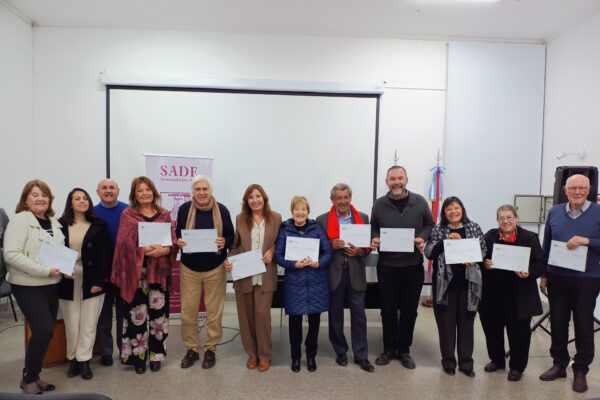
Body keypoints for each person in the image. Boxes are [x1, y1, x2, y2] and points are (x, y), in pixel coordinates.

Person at [539, 174, 600, 393]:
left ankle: (581, 369)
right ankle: (559, 364)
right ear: (565, 190)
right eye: (573, 188)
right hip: (557, 277)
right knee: (558, 323)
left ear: (588, 190)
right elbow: (547, 244)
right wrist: (544, 274)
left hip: (587, 279)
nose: (577, 192)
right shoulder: (555, 212)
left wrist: (587, 241)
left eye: (582, 188)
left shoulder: (598, 211)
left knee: (583, 325)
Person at [370, 166, 434, 368]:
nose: (396, 182)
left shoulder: (420, 202)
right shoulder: (379, 204)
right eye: (392, 179)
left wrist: (422, 237)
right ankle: (388, 349)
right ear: (386, 182)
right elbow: (373, 227)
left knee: (409, 310)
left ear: (407, 180)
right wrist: (375, 237)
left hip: (412, 267)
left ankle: (404, 350)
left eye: (400, 178)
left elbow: (430, 225)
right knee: (387, 310)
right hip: (387, 266)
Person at [3, 180, 64, 394]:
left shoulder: (53, 221)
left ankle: (34, 375)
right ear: (26, 199)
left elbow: (57, 253)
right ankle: (28, 378)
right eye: (35, 194)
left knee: (47, 332)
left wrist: (65, 268)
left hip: (52, 283)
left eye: (44, 195)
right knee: (43, 330)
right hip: (27, 284)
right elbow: (11, 254)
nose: (40, 198)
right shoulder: (20, 220)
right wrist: (44, 270)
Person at [111, 176, 176, 374]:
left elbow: (173, 241)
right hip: (136, 275)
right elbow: (122, 245)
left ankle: (156, 355)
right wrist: (143, 250)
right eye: (140, 190)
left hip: (158, 274)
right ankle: (137, 357)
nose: (145, 193)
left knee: (159, 317)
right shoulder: (127, 215)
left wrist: (165, 250)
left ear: (154, 192)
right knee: (136, 316)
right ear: (135, 195)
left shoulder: (164, 214)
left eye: (148, 189)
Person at [480, 204, 544, 382]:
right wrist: (485, 263)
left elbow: (540, 264)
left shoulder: (530, 238)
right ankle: (497, 360)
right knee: (492, 329)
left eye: (509, 217)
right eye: (501, 218)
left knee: (519, 333)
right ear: (497, 220)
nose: (505, 221)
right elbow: (480, 258)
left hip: (519, 294)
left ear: (516, 219)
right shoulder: (489, 237)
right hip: (493, 294)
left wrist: (529, 272)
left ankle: (517, 366)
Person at [176, 175, 234, 370]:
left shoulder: (222, 210)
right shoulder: (184, 209)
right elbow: (178, 234)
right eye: (198, 189)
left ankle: (210, 348)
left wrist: (224, 241)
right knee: (188, 311)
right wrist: (180, 241)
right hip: (189, 268)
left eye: (205, 189)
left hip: (215, 268)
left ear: (210, 191)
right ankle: (192, 348)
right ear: (192, 192)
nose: (201, 193)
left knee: (214, 312)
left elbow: (231, 236)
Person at [424, 196, 485, 377]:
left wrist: (474, 258)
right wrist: (446, 241)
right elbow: (429, 252)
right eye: (449, 209)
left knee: (466, 325)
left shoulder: (473, 227)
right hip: (445, 286)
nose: (453, 212)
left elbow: (483, 250)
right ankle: (448, 362)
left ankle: (466, 364)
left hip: (469, 285)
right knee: (446, 326)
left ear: (462, 209)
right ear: (444, 213)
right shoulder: (438, 229)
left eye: (456, 208)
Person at [316, 183, 374, 372]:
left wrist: (360, 251)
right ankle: (340, 351)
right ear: (332, 200)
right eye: (338, 198)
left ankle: (361, 355)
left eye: (346, 197)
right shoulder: (322, 220)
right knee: (335, 316)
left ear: (350, 198)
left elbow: (367, 246)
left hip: (356, 273)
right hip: (334, 274)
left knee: (359, 316)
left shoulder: (363, 218)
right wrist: (331, 245)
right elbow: (318, 247)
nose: (343, 201)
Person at [225, 184, 282, 372]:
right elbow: (234, 246)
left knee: (262, 317)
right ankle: (252, 354)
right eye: (251, 197)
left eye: (258, 196)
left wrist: (272, 251)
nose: (255, 200)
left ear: (264, 198)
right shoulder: (240, 219)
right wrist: (229, 260)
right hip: (244, 276)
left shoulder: (276, 218)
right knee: (246, 317)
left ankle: (264, 355)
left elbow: (281, 243)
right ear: (246, 201)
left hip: (265, 276)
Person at [274, 196, 333, 373]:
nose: (300, 212)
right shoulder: (284, 229)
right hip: (295, 283)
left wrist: (318, 263)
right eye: (297, 209)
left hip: (316, 282)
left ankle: (311, 355)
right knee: (295, 322)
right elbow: (278, 255)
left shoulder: (317, 228)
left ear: (308, 211)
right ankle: (295, 356)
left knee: (315, 322)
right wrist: (293, 264)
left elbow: (328, 252)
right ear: (292, 211)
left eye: (303, 209)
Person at [58, 188, 111, 380]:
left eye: (85, 198)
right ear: (70, 203)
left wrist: (99, 281)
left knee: (89, 323)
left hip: (93, 279)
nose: (82, 201)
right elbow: (53, 251)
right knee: (72, 323)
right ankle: (73, 359)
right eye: (77, 198)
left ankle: (84, 360)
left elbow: (105, 255)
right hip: (67, 279)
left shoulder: (99, 224)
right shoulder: (59, 224)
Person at [94, 178, 128, 366]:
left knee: (124, 314)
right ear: (98, 191)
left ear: (118, 190)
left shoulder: (128, 211)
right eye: (104, 188)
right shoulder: (90, 213)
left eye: (112, 187)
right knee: (103, 315)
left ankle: (124, 351)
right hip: (101, 272)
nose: (108, 191)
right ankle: (106, 352)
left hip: (124, 271)